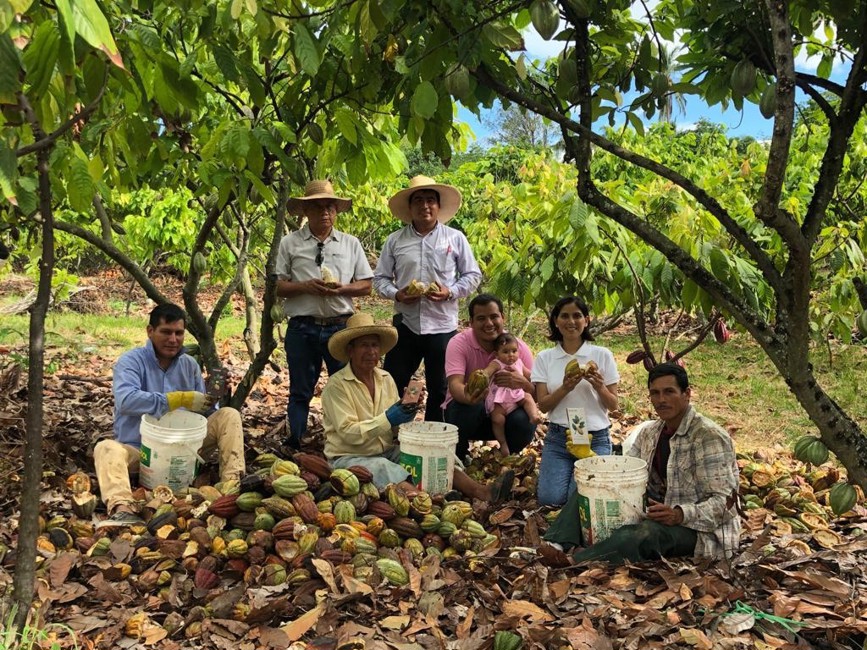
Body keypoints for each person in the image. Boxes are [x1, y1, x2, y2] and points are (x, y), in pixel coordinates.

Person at [544, 363, 741, 563]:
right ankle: (554, 544)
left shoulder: (709, 437)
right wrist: (592, 458)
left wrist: (680, 514)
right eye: (655, 393)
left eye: (669, 392)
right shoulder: (650, 433)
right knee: (590, 488)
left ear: (687, 394)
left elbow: (726, 503)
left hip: (697, 530)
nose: (661, 400)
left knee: (641, 535)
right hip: (655, 510)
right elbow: (624, 475)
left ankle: (575, 561)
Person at [321, 312, 514, 501]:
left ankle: (482, 492)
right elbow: (348, 432)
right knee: (385, 468)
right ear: (350, 350)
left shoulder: (385, 378)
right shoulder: (337, 386)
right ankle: (428, 503)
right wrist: (388, 417)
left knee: (433, 456)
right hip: (348, 457)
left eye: (375, 345)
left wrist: (406, 412)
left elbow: (394, 428)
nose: (371, 352)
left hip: (387, 450)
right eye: (364, 346)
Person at [94, 304, 245, 527]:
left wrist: (212, 399)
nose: (173, 339)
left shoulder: (189, 365)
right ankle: (122, 508)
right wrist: (176, 399)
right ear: (150, 331)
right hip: (142, 451)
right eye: (166, 332)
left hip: (185, 450)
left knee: (229, 415)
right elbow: (126, 400)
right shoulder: (131, 361)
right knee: (106, 448)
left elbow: (200, 417)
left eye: (178, 333)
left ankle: (231, 491)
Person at [373, 175, 482, 422]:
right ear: (410, 207)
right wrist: (397, 293)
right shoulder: (395, 240)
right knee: (393, 381)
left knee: (440, 387)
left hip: (442, 326)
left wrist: (450, 291)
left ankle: (434, 436)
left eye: (430, 200)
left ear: (438, 206)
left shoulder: (455, 238)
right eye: (419, 200)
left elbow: (472, 275)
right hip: (406, 324)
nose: (425, 206)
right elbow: (380, 279)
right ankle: (391, 433)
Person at [275, 180, 373, 449]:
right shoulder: (290, 243)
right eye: (317, 208)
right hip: (303, 327)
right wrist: (304, 286)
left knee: (344, 387)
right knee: (300, 391)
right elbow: (278, 285)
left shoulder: (350, 244)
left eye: (329, 207)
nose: (324, 213)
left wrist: (343, 289)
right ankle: (295, 441)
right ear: (306, 212)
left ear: (336, 211)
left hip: (339, 328)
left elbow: (366, 284)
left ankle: (346, 441)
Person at [532, 296, 619, 506]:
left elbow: (613, 405)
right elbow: (542, 405)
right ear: (555, 321)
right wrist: (565, 388)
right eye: (564, 316)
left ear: (587, 320)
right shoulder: (545, 358)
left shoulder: (601, 355)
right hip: (559, 437)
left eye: (577, 316)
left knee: (578, 500)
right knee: (549, 499)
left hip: (594, 437)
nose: (571, 321)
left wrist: (599, 386)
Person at [443, 294, 537, 461]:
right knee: (465, 407)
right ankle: (458, 456)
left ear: (503, 317)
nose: (489, 323)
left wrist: (524, 384)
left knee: (524, 419)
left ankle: (509, 457)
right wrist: (470, 396)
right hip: (471, 414)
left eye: (494, 317)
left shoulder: (517, 347)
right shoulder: (458, 343)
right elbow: (455, 384)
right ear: (471, 322)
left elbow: (538, 391)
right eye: (481, 318)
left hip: (504, 412)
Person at [483, 333, 542, 457]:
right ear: (497, 353)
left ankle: (533, 416)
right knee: (497, 420)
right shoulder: (497, 363)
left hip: (516, 398)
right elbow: (487, 372)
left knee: (528, 397)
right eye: (505, 352)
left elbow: (530, 375)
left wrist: (540, 378)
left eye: (514, 351)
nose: (511, 355)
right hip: (499, 400)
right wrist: (483, 376)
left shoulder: (519, 363)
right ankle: (503, 443)